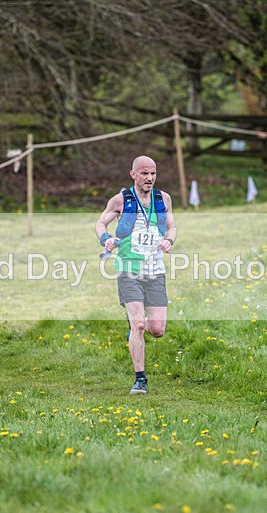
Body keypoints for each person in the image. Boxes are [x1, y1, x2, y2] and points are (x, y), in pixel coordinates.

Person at [95, 155, 177, 394]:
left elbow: (171, 226)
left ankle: (134, 327)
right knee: (140, 324)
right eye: (144, 173)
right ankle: (140, 379)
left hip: (155, 270)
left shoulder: (164, 199)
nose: (149, 178)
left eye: (153, 173)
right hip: (129, 269)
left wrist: (170, 240)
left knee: (157, 329)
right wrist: (106, 238)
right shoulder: (121, 200)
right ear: (133, 175)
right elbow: (100, 223)